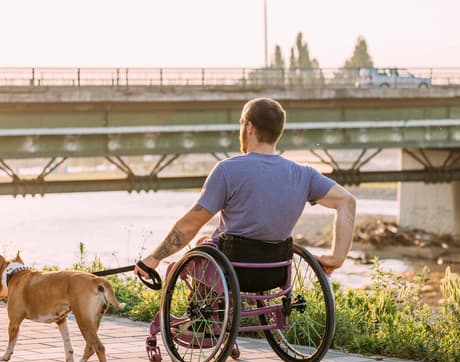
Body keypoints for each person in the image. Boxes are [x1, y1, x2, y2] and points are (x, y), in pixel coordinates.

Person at [134, 97, 355, 280]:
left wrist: (153, 258)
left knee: (193, 253)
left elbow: (191, 224)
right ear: (278, 131)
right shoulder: (304, 175)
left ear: (249, 127)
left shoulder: (227, 170)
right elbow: (347, 202)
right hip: (274, 273)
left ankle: (201, 323)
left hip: (230, 272)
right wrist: (337, 258)